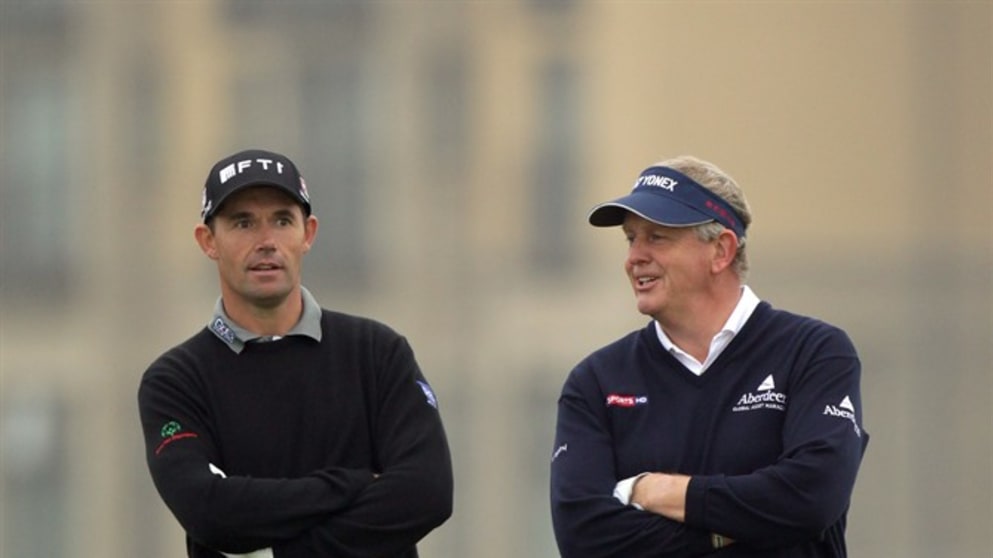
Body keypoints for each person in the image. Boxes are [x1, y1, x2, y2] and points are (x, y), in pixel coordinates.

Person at [138, 148, 453, 558]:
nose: (266, 241)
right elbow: (209, 511)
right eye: (243, 222)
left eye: (282, 220)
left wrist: (278, 552)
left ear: (308, 233)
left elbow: (427, 492)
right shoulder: (175, 381)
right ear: (208, 240)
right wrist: (355, 484)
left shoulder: (377, 353)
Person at [550, 156, 869, 557]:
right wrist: (728, 533)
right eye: (632, 239)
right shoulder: (597, 381)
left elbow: (811, 498)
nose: (635, 258)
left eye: (658, 238)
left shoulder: (815, 353)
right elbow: (584, 536)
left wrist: (658, 490)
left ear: (721, 250)